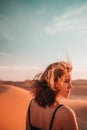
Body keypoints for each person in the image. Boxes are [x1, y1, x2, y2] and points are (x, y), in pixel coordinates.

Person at [26, 61, 79, 130]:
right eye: (66, 81)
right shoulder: (66, 113)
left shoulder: (32, 104)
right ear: (54, 83)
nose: (71, 86)